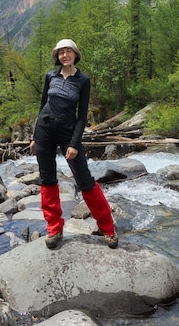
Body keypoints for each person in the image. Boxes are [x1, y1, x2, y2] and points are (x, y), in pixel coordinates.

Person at [30, 39, 118, 250]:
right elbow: (43, 105)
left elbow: (81, 117)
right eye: (61, 52)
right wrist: (34, 136)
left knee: (85, 179)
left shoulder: (83, 80)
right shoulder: (50, 76)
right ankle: (54, 228)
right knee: (47, 178)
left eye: (68, 51)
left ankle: (107, 228)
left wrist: (74, 142)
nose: (64, 55)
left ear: (75, 54)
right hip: (44, 129)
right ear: (57, 57)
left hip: (68, 131)